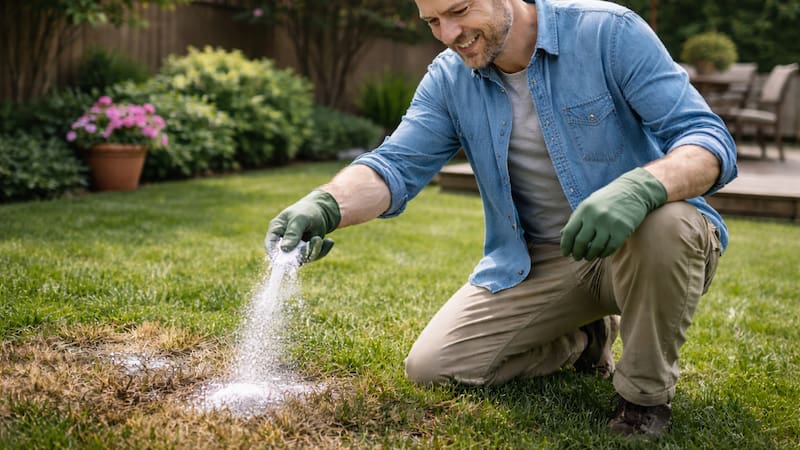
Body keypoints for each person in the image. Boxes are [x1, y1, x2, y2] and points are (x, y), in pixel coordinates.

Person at [266, 0, 737, 440]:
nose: (448, 34)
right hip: (542, 261)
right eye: (432, 21)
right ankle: (581, 338)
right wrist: (325, 204)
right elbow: (396, 165)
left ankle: (643, 400)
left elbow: (708, 139)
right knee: (433, 368)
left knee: (666, 223)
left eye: (459, 10)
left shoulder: (607, 32)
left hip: (643, 246)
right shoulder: (450, 78)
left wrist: (639, 188)